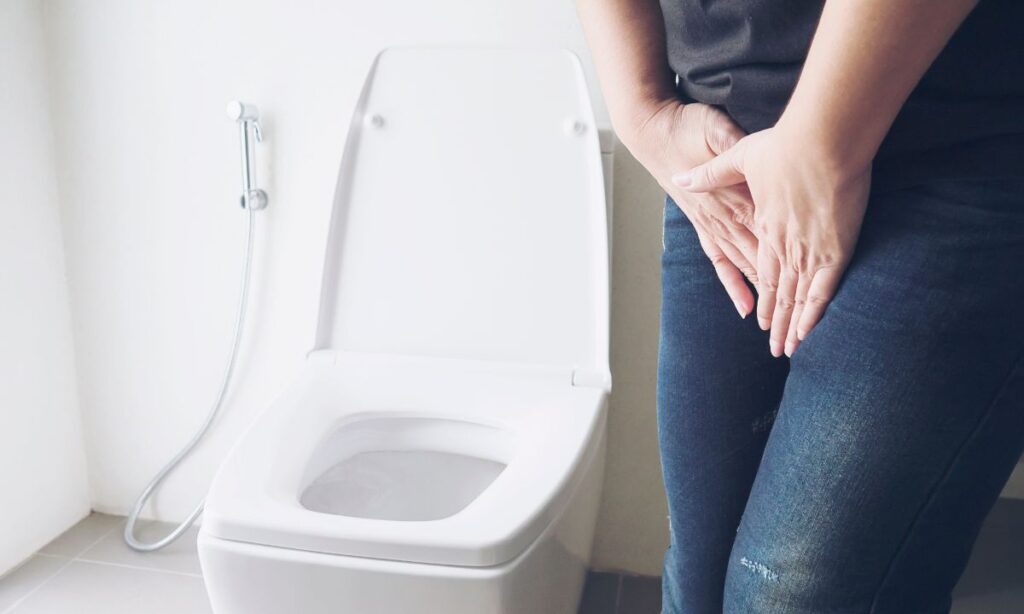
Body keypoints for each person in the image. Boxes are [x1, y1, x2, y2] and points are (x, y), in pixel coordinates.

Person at [576, 0, 1024, 612]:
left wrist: (824, 142)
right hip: (727, 165)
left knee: (790, 599)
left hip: (963, 157)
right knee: (699, 584)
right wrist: (641, 113)